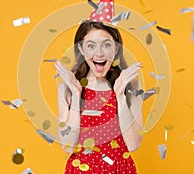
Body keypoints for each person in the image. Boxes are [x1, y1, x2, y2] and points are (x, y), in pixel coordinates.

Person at [55, 20, 144, 173]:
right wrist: (77, 97)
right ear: (81, 49)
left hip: (119, 169)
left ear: (116, 49)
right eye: (91, 45)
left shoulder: (131, 87)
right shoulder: (67, 89)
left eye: (107, 45)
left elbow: (133, 145)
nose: (99, 53)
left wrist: (120, 96)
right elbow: (67, 146)